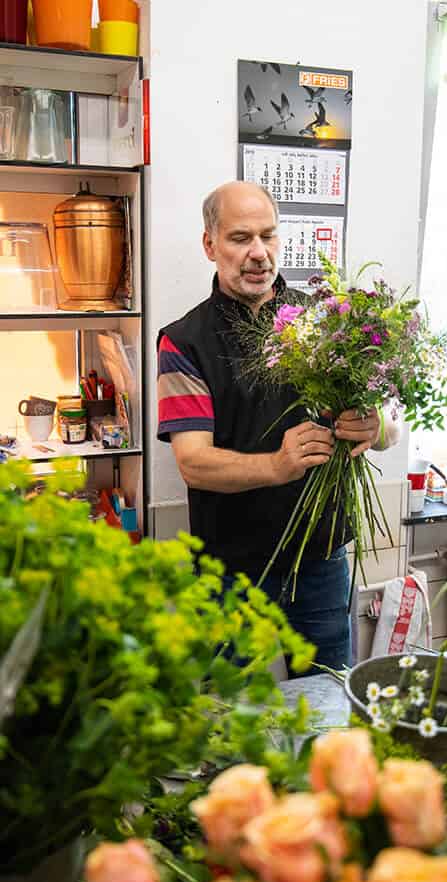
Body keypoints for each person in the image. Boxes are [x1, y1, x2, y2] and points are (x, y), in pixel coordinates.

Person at [156, 181, 402, 675]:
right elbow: (193, 462)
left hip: (322, 556)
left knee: (331, 700)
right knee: (230, 714)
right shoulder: (184, 342)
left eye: (268, 236)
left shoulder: (329, 321)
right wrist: (277, 465)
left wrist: (373, 428)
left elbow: (392, 427)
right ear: (210, 245)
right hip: (232, 566)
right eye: (240, 238)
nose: (257, 253)